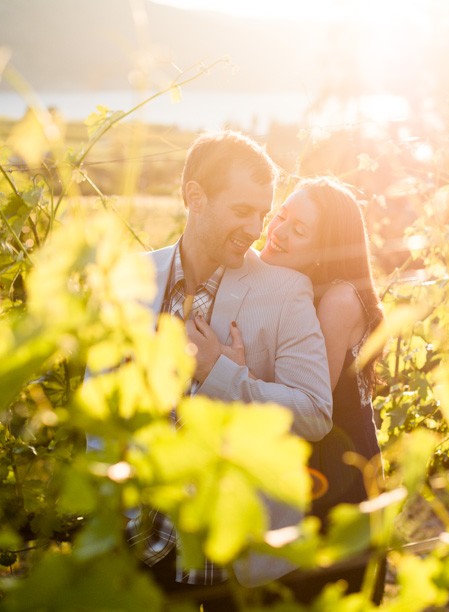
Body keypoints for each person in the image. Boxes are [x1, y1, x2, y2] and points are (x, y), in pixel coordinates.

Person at [130, 131, 334, 603]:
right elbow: (100, 399)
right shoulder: (135, 278)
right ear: (195, 197)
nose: (257, 229)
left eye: (263, 214)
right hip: (141, 554)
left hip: (234, 562)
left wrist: (221, 372)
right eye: (243, 211)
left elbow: (315, 413)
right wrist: (119, 524)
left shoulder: (285, 292)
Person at [189, 176, 386, 604]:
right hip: (302, 462)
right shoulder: (280, 280)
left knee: (320, 593)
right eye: (281, 217)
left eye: (300, 230)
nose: (277, 232)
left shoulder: (337, 299)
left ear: (328, 246)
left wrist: (230, 369)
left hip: (336, 468)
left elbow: (309, 405)